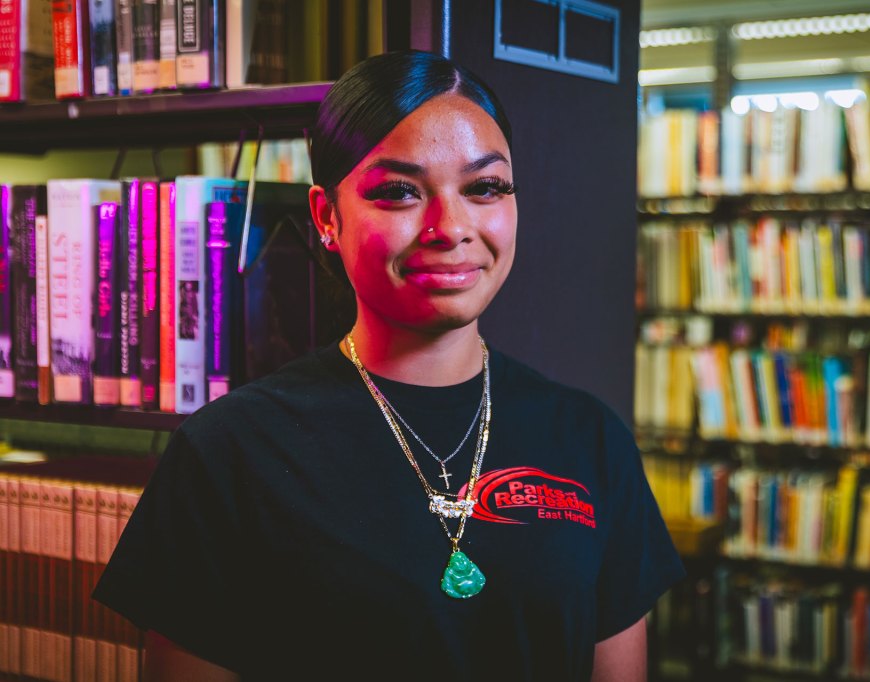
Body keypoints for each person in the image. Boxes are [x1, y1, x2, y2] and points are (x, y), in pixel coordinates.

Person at [93, 50, 684, 681]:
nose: (450, 227)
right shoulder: (228, 452)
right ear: (326, 217)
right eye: (400, 192)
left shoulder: (590, 440)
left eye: (485, 187)